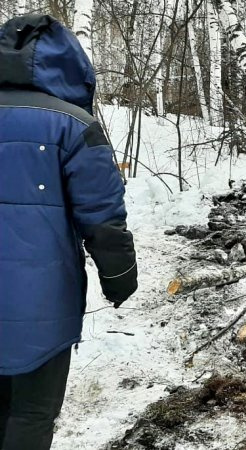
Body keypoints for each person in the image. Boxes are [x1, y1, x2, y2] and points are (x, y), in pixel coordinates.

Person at [0, 15, 137, 449]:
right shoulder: (75, 126)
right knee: (32, 412)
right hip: (41, 303)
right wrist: (119, 278)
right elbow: (102, 216)